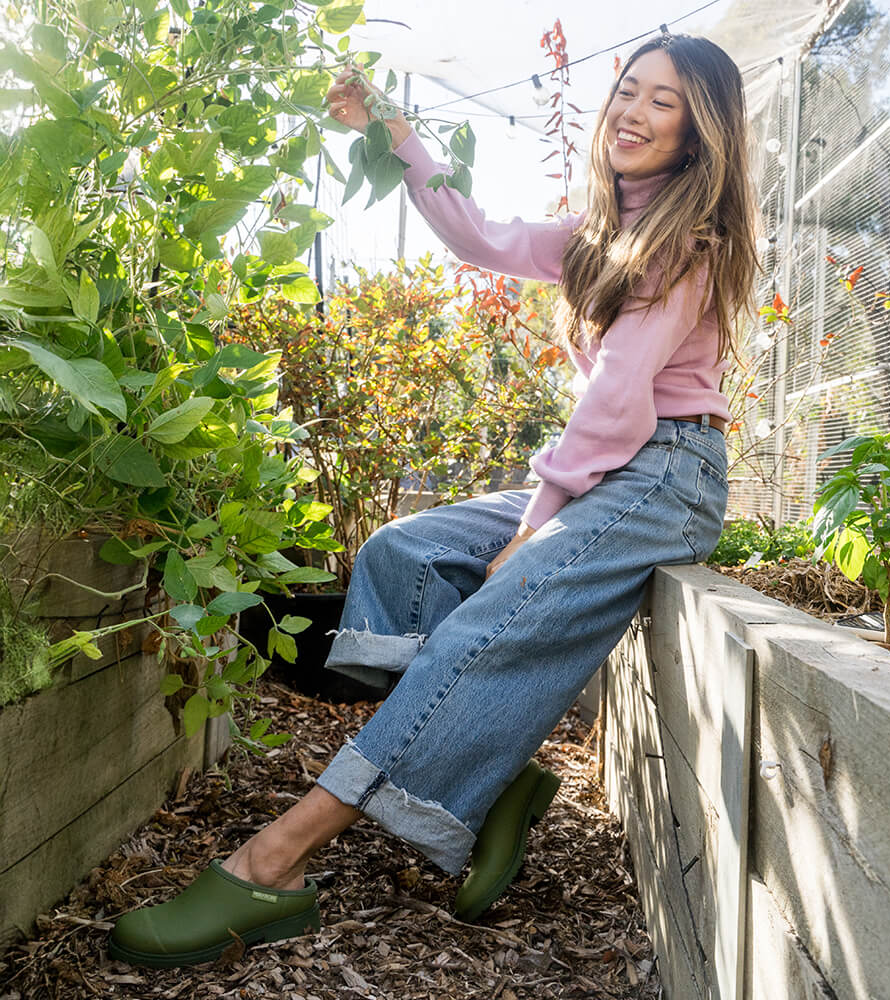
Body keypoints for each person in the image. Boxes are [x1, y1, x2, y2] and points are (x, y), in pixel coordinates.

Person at [108, 31, 758, 968]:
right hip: (616, 466)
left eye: (665, 101)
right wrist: (393, 132)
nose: (633, 110)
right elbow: (477, 235)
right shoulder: (597, 236)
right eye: (629, 88)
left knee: (472, 635)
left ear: (700, 134)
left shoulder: (687, 245)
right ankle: (491, 777)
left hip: (666, 475)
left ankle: (277, 860)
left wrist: (533, 526)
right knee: (399, 554)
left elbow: (617, 404)